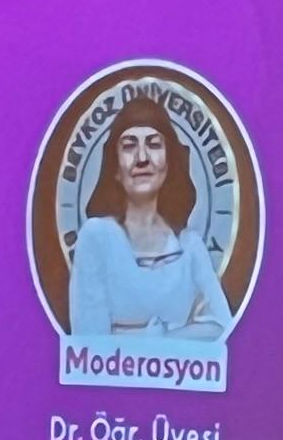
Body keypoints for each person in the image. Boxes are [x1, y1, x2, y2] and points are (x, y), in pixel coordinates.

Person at [65, 103, 230, 346]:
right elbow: (90, 344)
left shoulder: (190, 247)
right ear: (115, 168)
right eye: (129, 146)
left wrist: (152, 338)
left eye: (153, 145)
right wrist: (181, 333)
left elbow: (221, 328)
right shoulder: (96, 237)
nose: (142, 158)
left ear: (169, 163)